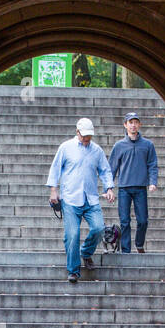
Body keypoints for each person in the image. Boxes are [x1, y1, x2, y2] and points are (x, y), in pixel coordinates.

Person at [47, 118, 115, 283]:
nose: (87, 139)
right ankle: (73, 270)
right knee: (72, 234)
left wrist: (109, 188)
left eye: (89, 136)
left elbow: (105, 170)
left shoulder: (96, 150)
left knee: (99, 228)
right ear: (77, 132)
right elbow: (55, 168)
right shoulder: (66, 147)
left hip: (91, 198)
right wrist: (53, 190)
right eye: (84, 136)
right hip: (70, 198)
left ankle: (86, 252)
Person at [108, 111, 158, 253]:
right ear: (125, 125)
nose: (133, 125)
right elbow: (112, 167)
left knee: (143, 220)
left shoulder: (148, 145)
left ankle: (139, 243)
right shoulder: (119, 146)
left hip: (140, 187)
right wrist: (109, 188)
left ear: (139, 125)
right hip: (124, 188)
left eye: (136, 122)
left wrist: (152, 182)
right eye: (130, 122)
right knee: (124, 221)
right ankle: (126, 250)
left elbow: (152, 164)